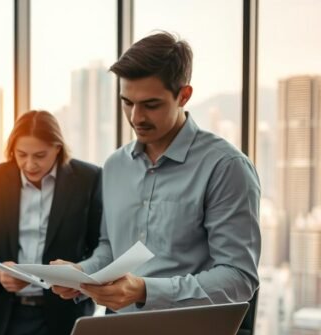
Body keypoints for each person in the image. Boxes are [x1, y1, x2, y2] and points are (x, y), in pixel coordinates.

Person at [52, 32, 261, 318]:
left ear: (184, 96)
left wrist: (144, 290)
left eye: (151, 105)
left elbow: (239, 279)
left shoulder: (226, 167)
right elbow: (110, 249)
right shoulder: (115, 166)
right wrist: (81, 273)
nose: (136, 117)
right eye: (127, 102)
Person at [0, 110, 101, 335]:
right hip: (2, 316)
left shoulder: (88, 178)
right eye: (21, 155)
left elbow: (100, 245)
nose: (29, 164)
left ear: (58, 148)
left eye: (40, 155)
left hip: (65, 317)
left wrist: (79, 278)